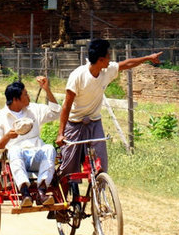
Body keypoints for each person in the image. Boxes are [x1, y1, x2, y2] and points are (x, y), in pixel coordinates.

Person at [57, 39, 162, 177]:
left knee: (101, 161)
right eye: (108, 56)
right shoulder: (78, 76)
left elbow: (127, 63)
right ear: (100, 60)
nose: (110, 59)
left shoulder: (107, 70)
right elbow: (66, 105)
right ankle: (71, 194)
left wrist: (148, 58)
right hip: (75, 123)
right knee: (69, 167)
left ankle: (99, 188)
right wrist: (61, 133)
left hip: (94, 122)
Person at [0, 76, 60, 207]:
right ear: (15, 99)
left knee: (49, 148)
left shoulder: (33, 110)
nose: (28, 96)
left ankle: (41, 191)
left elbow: (56, 112)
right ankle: (25, 192)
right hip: (18, 158)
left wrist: (47, 90)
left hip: (37, 154)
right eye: (25, 94)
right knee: (14, 149)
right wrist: (7, 137)